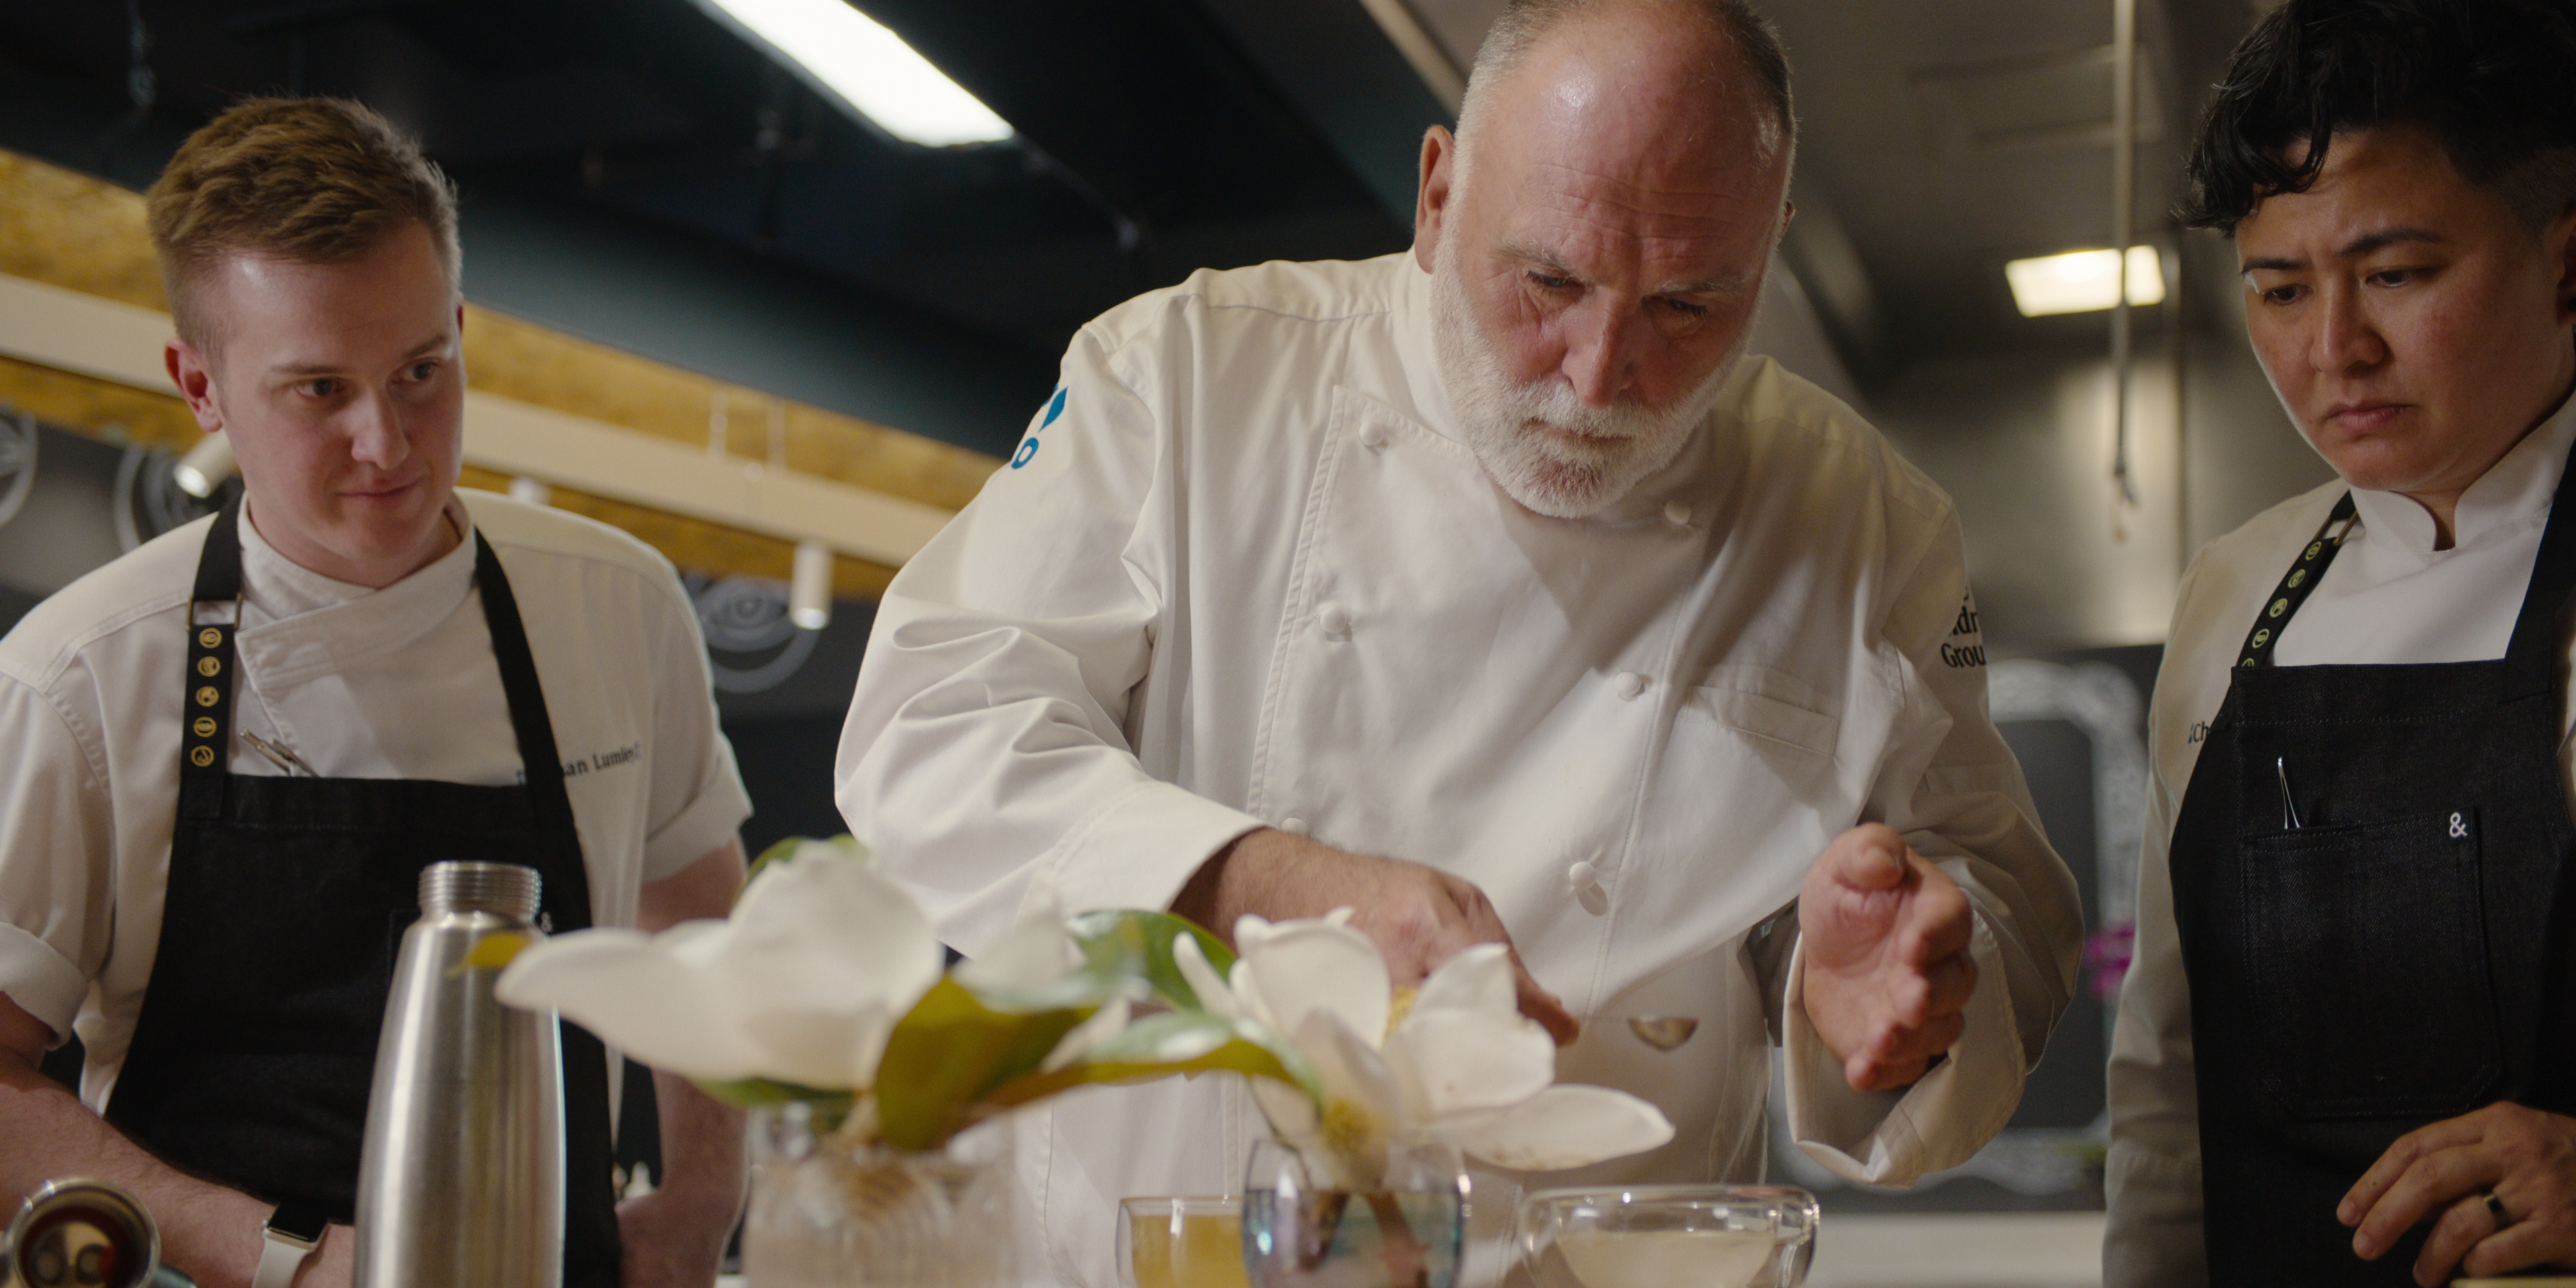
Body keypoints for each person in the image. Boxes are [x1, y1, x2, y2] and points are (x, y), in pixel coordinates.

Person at [837, 1, 2084, 1281]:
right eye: (1549, 282)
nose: (1599, 379)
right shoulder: (1191, 375)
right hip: (1186, 1252)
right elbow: (931, 731)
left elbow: (1999, 910)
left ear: (1769, 253)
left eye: (1688, 306)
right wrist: (1276, 887)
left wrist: (1887, 1003)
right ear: (1437, 196)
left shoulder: (1860, 520)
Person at [0, 99, 752, 1288]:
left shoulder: (619, 606)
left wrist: (703, 1200)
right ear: (200, 385)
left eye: (420, 372)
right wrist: (283, 1260)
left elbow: (696, 915)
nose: (388, 443)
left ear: (459, 328)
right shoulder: (85, 673)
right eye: (318, 391)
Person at [2103, 2, 2576, 1285]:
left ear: (2568, 263)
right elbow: (2166, 1072)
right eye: (2279, 289)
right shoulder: (2235, 592)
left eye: (2398, 274)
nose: (2334, 351)